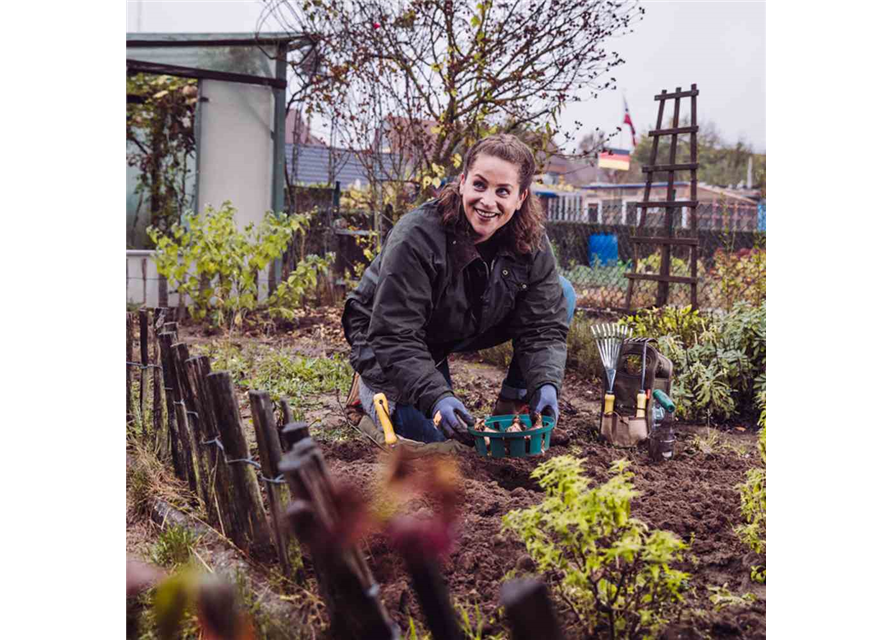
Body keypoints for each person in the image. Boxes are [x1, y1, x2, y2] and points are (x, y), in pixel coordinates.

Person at [342, 133, 575, 444]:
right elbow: (394, 333)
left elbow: (543, 326)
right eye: (479, 185)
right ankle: (368, 390)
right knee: (440, 442)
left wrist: (545, 384)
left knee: (562, 292)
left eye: (503, 191)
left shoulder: (530, 239)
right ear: (463, 182)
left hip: (459, 319)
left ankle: (514, 400)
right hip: (387, 333)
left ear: (521, 198)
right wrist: (437, 396)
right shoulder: (417, 237)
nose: (487, 201)